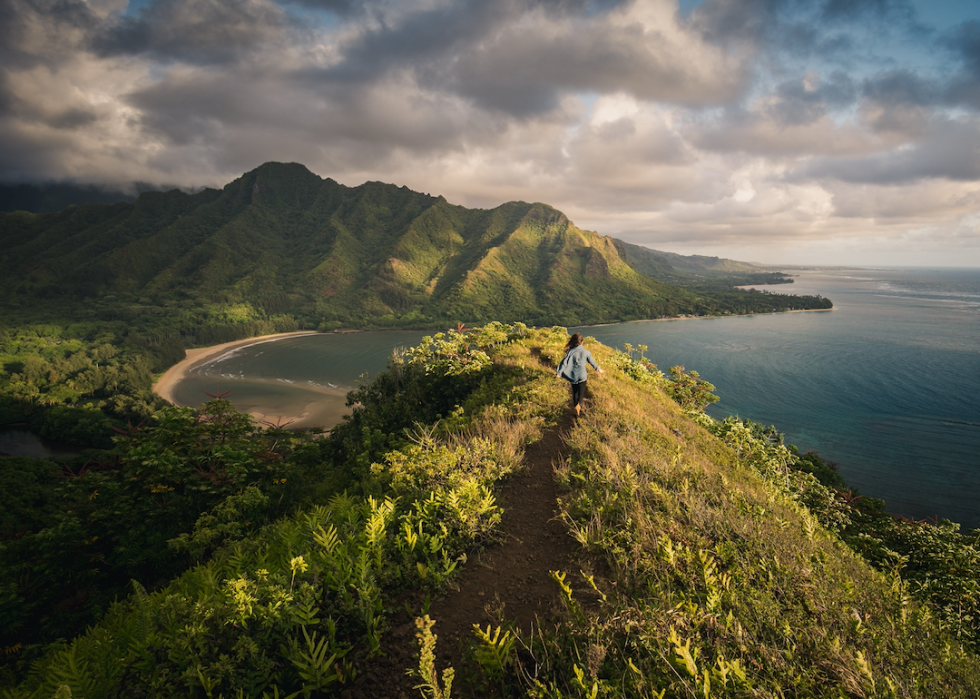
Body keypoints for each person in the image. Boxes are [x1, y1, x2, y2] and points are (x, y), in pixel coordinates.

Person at [556, 333, 603, 416]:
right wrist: (598, 369)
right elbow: (593, 363)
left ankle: (575, 410)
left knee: (575, 393)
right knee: (581, 394)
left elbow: (564, 364)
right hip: (582, 376)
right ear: (582, 342)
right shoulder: (586, 352)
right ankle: (579, 405)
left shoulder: (570, 352)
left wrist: (559, 373)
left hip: (572, 376)